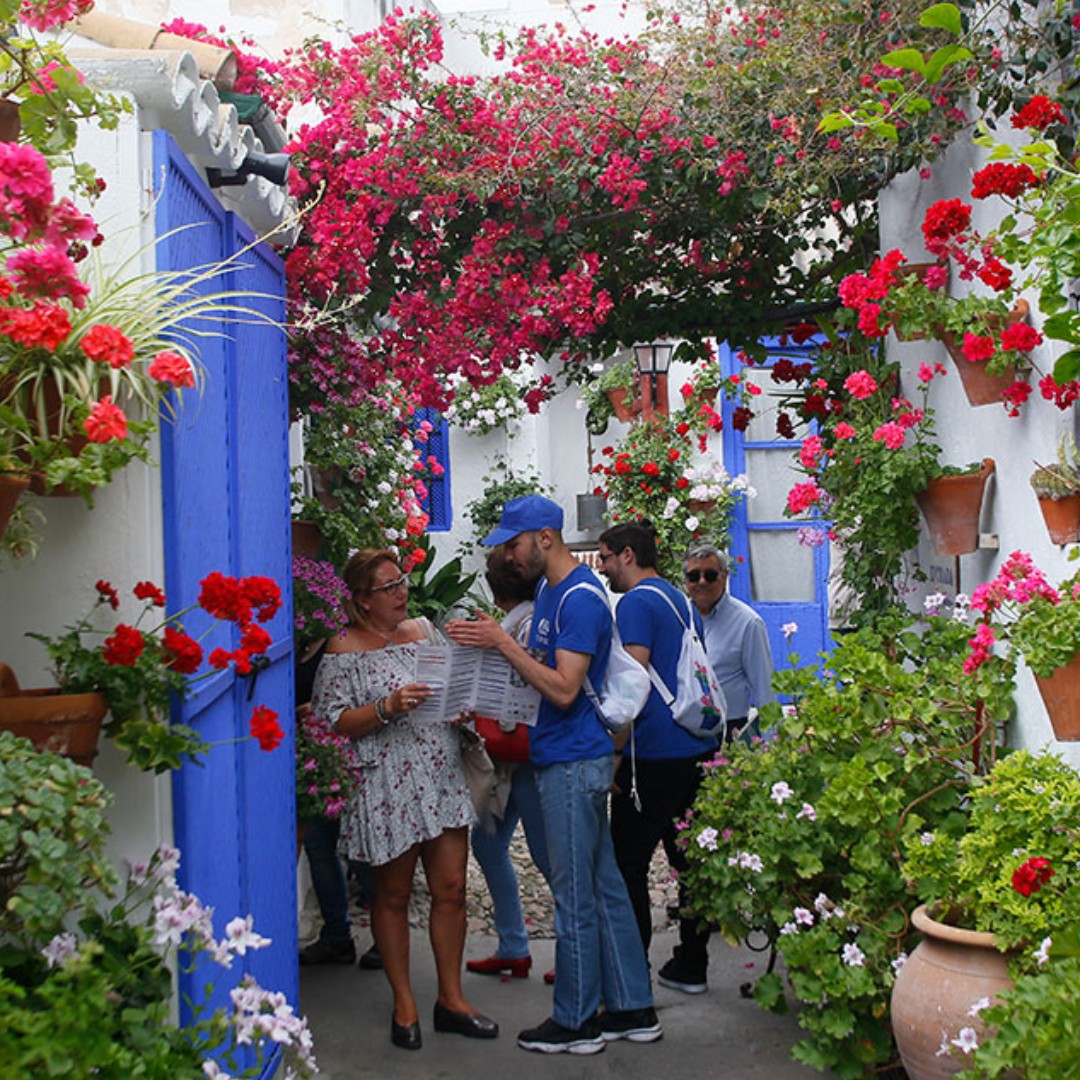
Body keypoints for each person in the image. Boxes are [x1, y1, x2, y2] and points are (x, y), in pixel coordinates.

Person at [446, 495, 660, 1055]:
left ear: (545, 537)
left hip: (573, 760)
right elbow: (538, 679)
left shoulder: (580, 598)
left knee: (574, 896)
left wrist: (499, 643)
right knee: (604, 886)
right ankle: (633, 1008)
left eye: (513, 544)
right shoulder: (549, 594)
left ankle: (577, 1020)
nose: (508, 556)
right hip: (568, 756)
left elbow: (563, 688)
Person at [311, 548, 498, 1050]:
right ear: (361, 600)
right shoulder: (343, 647)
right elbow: (331, 721)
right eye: (388, 586)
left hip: (439, 775)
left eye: (402, 581)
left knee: (452, 889)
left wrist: (459, 709)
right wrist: (386, 707)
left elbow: (448, 688)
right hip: (385, 784)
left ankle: (451, 1000)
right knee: (391, 895)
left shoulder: (424, 630)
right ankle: (404, 1002)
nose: (402, 592)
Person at [598, 521, 718, 997]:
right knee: (689, 861)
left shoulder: (636, 603)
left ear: (628, 555)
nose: (603, 566)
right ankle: (693, 962)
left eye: (606, 556)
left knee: (627, 861)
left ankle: (632, 975)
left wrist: (614, 753)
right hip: (695, 742)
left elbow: (631, 684)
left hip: (654, 753)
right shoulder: (678, 598)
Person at [465, 549, 552, 979]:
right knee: (491, 845)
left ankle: (572, 951)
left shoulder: (518, 624)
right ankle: (513, 944)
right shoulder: (534, 616)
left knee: (542, 853)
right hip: (513, 753)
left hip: (520, 752)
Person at [296, 637, 383, 971]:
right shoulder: (299, 642)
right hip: (314, 758)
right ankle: (336, 936)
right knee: (319, 847)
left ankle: (385, 937)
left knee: (360, 852)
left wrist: (324, 711)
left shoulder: (350, 640)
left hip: (351, 756)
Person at [683, 544, 775, 745]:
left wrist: (772, 746)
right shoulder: (679, 618)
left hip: (728, 732)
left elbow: (765, 689)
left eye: (710, 575)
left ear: (724, 576)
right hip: (684, 734)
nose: (701, 582)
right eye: (693, 576)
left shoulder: (748, 623)